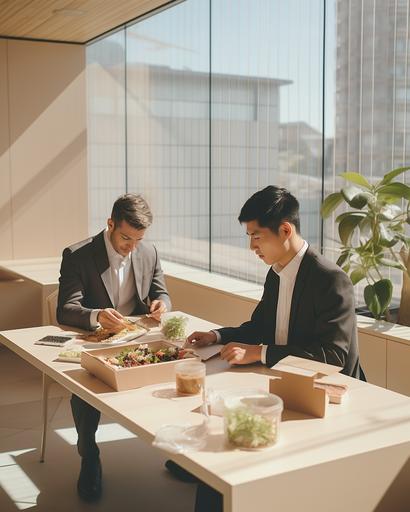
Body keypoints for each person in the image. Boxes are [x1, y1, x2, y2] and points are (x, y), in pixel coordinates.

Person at [186, 185, 362, 511]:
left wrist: (261, 353)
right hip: (285, 386)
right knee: (214, 442)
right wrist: (217, 335)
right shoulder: (276, 273)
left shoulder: (330, 279)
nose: (251, 246)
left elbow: (333, 357)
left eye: (256, 236)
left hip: (325, 397)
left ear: (285, 230)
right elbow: (260, 328)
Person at [57, 193, 171, 502]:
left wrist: (161, 304)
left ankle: (178, 452)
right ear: (110, 224)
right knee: (84, 387)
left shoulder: (149, 252)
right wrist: (96, 316)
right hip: (96, 343)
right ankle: (89, 456)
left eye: (138, 239)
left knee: (176, 370)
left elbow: (161, 292)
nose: (131, 246)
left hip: (138, 340)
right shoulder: (78, 255)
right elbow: (65, 309)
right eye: (126, 237)